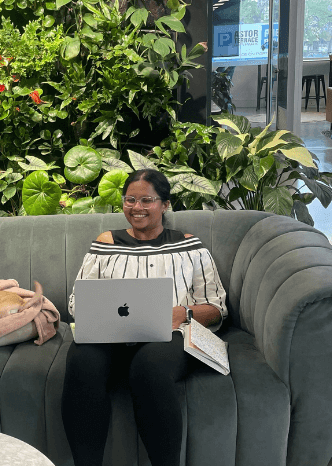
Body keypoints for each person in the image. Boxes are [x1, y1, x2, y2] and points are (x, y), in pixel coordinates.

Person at [61, 169, 227, 466]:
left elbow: (217, 307)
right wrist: (99, 309)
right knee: (81, 363)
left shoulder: (189, 246)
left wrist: (184, 313)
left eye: (147, 200)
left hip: (169, 337)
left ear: (165, 204)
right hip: (110, 335)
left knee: (149, 367)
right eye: (130, 200)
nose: (136, 208)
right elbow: (76, 303)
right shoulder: (106, 243)